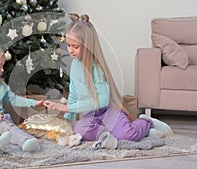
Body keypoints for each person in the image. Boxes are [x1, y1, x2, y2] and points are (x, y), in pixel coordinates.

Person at [44, 13, 172, 142]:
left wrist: (66, 108)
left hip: (109, 111)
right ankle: (119, 133)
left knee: (127, 135)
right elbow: (74, 95)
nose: (70, 50)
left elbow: (103, 100)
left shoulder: (97, 68)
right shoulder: (75, 66)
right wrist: (67, 119)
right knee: (80, 130)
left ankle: (145, 122)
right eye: (68, 45)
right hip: (91, 115)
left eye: (75, 46)